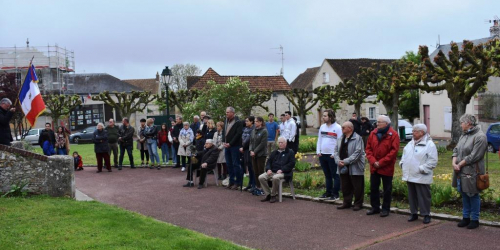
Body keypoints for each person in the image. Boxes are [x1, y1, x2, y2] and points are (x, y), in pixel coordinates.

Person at [452, 114, 487, 229]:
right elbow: (456, 149)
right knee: (464, 193)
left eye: (462, 122)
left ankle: (475, 219)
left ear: (468, 123)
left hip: (472, 171)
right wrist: (454, 162)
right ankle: (465, 217)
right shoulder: (464, 135)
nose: (460, 125)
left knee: (473, 194)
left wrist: (460, 164)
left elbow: (475, 155)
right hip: (460, 170)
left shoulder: (480, 136)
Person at [400, 124, 438, 224]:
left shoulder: (430, 144)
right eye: (413, 131)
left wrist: (421, 169)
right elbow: (404, 155)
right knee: (412, 195)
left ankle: (426, 214)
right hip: (410, 174)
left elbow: (433, 161)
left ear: (422, 132)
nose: (413, 133)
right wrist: (402, 164)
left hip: (421, 175)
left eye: (415, 131)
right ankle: (413, 213)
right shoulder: (410, 143)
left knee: (424, 196)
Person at [365, 115, 400, 217]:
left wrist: (381, 162)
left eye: (379, 122)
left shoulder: (393, 135)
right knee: (374, 188)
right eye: (377, 122)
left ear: (386, 123)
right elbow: (368, 149)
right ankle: (375, 207)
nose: (377, 123)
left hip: (386, 167)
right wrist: (373, 161)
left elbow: (393, 151)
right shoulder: (373, 133)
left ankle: (385, 209)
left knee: (387, 189)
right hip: (374, 166)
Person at [334, 121, 365, 211]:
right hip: (342, 165)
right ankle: (346, 202)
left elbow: (358, 152)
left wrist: (346, 161)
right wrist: (337, 161)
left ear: (350, 128)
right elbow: (335, 151)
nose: (342, 129)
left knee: (357, 185)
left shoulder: (358, 138)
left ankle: (358, 203)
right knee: (345, 185)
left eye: (343, 127)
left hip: (355, 166)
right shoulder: (340, 138)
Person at [259, 137, 295, 203]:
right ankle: (268, 194)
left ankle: (273, 195)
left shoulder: (290, 152)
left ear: (286, 143)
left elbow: (292, 164)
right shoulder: (274, 152)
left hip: (284, 173)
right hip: (273, 171)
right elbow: (269, 162)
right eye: (279, 143)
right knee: (261, 177)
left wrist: (282, 170)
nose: (280, 144)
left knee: (275, 177)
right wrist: (268, 169)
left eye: (282, 142)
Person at [316, 109, 342, 200]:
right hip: (323, 155)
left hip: (332, 156)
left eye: (325, 116)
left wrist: (334, 154)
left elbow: (340, 142)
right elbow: (319, 139)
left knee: (335, 175)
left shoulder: (338, 128)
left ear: (330, 117)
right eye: (323, 116)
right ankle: (328, 192)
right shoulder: (322, 127)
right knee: (327, 175)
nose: (323, 117)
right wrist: (318, 151)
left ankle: (335, 194)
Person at [222, 107, 244, 190]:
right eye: (226, 112)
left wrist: (230, 144)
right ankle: (231, 181)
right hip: (227, 146)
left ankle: (238, 182)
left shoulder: (238, 122)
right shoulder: (226, 121)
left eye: (228, 112)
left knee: (236, 164)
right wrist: (224, 141)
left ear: (232, 113)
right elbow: (224, 132)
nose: (226, 114)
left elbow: (238, 134)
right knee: (229, 164)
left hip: (235, 146)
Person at [249, 116, 268, 196]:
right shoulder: (253, 131)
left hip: (261, 154)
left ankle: (263, 188)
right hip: (253, 154)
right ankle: (258, 187)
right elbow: (251, 142)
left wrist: (255, 151)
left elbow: (262, 144)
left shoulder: (264, 131)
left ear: (261, 122)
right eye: (255, 121)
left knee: (261, 172)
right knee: (255, 171)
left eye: (257, 121)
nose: (255, 123)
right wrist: (251, 150)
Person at [241, 116, 255, 191]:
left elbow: (249, 140)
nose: (246, 122)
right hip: (245, 150)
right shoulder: (245, 129)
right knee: (249, 167)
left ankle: (254, 184)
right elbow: (243, 138)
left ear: (251, 122)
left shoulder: (253, 129)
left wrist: (243, 147)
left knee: (252, 168)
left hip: (250, 150)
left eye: (247, 121)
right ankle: (250, 183)